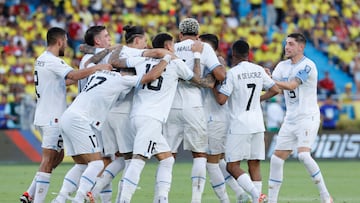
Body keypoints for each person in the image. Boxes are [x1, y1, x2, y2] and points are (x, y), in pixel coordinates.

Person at [56, 54, 171, 203]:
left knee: (82, 164)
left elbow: (88, 64)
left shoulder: (99, 72)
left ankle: (60, 199)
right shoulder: (122, 79)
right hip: (81, 121)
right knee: (97, 164)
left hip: (68, 116)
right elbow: (150, 77)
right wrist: (167, 58)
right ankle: (79, 199)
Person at [77, 25, 172, 202]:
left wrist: (109, 49)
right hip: (124, 112)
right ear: (137, 40)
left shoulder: (117, 52)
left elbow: (83, 48)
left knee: (116, 159)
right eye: (144, 40)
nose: (146, 45)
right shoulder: (138, 56)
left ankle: (93, 193)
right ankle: (99, 194)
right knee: (130, 160)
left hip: (107, 113)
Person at [19, 27, 112, 203]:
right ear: (60, 41)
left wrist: (82, 77)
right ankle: (36, 200)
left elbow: (65, 81)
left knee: (57, 158)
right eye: (66, 42)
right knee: (49, 161)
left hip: (45, 115)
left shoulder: (41, 60)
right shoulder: (53, 61)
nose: (67, 46)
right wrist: (98, 68)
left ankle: (29, 194)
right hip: (52, 117)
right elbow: (73, 74)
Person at [119, 33, 215, 203]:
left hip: (136, 115)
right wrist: (197, 55)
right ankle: (124, 199)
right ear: (169, 46)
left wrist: (144, 53)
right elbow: (197, 80)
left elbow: (117, 62)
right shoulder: (175, 63)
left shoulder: (141, 60)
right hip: (152, 118)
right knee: (138, 159)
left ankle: (162, 198)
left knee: (168, 159)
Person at [162, 18, 226, 203]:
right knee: (199, 154)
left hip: (171, 105)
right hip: (193, 105)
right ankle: (196, 200)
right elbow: (220, 75)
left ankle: (162, 197)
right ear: (198, 35)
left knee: (168, 156)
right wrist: (210, 73)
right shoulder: (203, 47)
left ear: (180, 35)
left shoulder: (170, 48)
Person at [268, 33, 332, 203]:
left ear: (301, 47)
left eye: (290, 44)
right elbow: (274, 88)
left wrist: (269, 80)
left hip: (307, 116)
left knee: (303, 155)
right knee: (276, 158)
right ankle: (272, 200)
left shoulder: (308, 66)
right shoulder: (282, 66)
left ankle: (326, 196)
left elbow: (291, 85)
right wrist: (263, 80)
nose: (286, 47)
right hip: (290, 118)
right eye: (286, 44)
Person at [213, 39, 278, 203]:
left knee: (232, 166)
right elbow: (275, 89)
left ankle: (257, 196)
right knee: (254, 164)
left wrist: (212, 86)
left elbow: (221, 100)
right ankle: (258, 199)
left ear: (233, 54)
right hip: (257, 124)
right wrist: (259, 99)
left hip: (239, 124)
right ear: (248, 54)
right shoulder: (258, 70)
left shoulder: (233, 73)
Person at [199, 33, 250, 203]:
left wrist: (191, 77)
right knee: (219, 161)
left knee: (210, 163)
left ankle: (226, 200)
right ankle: (240, 193)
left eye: (202, 44)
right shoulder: (210, 62)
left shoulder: (217, 62)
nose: (199, 47)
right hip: (212, 117)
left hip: (215, 118)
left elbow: (210, 83)